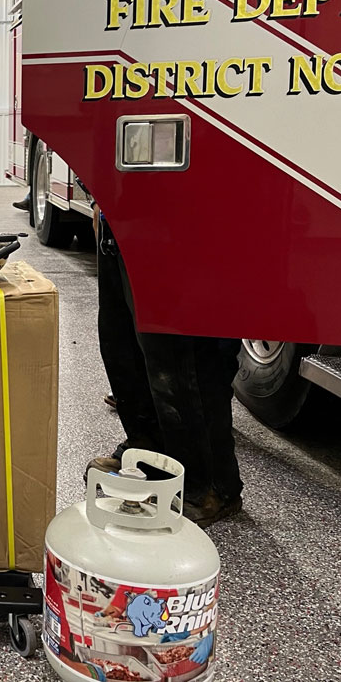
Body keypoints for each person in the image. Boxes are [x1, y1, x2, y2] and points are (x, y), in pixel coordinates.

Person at [81, 182, 243, 528]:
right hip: (122, 207)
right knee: (124, 345)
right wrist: (98, 196)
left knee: (183, 357)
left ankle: (208, 485)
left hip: (182, 206)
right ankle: (151, 452)